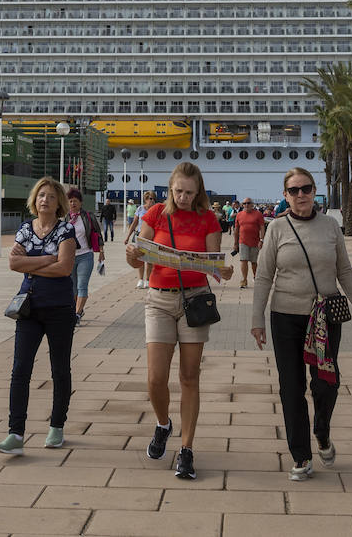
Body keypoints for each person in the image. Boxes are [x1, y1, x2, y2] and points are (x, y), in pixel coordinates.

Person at [252, 168, 352, 480]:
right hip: (285, 317)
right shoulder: (277, 228)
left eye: (306, 189)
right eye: (294, 190)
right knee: (291, 387)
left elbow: (345, 271)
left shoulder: (330, 226)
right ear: (285, 195)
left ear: (314, 191)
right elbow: (263, 276)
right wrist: (256, 319)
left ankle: (322, 430)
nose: (301, 195)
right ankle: (301, 455)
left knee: (326, 383)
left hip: (324, 317)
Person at [124, 161, 232, 480]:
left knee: (189, 377)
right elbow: (139, 256)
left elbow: (213, 262)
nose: (183, 197)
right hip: (158, 299)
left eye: (189, 192)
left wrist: (222, 270)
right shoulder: (156, 213)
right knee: (156, 378)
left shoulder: (208, 218)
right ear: (170, 188)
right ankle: (163, 424)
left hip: (194, 299)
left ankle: (186, 448)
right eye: (178, 191)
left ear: (199, 192)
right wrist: (132, 256)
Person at [0, 177, 77, 456]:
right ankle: (15, 433)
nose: (45, 200)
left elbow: (64, 269)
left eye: (51, 196)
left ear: (58, 203)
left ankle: (57, 427)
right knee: (20, 370)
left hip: (59, 308)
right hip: (29, 308)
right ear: (34, 199)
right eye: (41, 195)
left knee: (59, 369)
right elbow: (13, 263)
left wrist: (29, 263)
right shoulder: (25, 229)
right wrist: (46, 260)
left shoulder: (66, 230)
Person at [65, 187, 105, 324]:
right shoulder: (65, 218)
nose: (72, 203)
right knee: (72, 287)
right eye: (70, 201)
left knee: (82, 285)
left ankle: (76, 314)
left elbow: (98, 234)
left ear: (80, 202)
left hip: (85, 255)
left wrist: (101, 252)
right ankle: (77, 310)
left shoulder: (88, 216)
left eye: (75, 201)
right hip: (69, 257)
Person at [233, 198, 265, 288]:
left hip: (255, 241)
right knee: (243, 260)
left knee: (254, 262)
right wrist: (235, 243)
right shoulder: (239, 215)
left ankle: (255, 276)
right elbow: (236, 230)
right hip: (243, 241)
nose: (246, 205)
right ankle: (244, 280)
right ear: (242, 205)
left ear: (252, 204)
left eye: (248, 203)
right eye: (244, 203)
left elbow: (262, 227)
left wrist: (261, 240)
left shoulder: (258, 214)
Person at [132, 190, 156, 289]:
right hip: (140, 236)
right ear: (146, 199)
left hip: (151, 237)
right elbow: (134, 223)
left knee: (149, 260)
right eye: (150, 198)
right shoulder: (140, 209)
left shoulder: (155, 209)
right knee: (140, 258)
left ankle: (148, 280)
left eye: (154, 198)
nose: (152, 200)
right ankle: (140, 279)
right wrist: (127, 236)